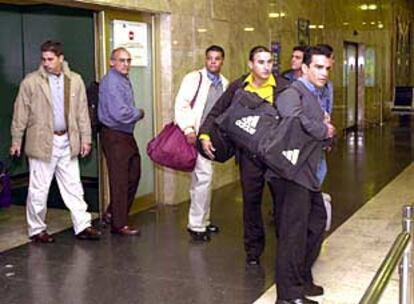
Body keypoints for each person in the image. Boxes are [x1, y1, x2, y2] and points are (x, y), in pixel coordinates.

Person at [199, 46, 290, 264]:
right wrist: (204, 135)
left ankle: (285, 250)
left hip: (276, 157)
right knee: (251, 203)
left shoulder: (284, 87)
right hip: (249, 156)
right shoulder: (238, 86)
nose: (266, 67)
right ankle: (253, 252)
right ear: (250, 64)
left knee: (282, 204)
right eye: (261, 62)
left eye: (269, 62)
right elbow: (216, 112)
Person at [10, 40, 101, 243]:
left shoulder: (74, 80)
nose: (46, 63)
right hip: (42, 142)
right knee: (39, 190)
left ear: (61, 59)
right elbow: (20, 113)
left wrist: (86, 139)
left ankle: (83, 225)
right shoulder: (31, 82)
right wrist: (17, 140)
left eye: (50, 59)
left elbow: (82, 113)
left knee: (74, 187)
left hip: (67, 141)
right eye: (43, 59)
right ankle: (37, 229)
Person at [270, 46, 336, 304]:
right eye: (318, 67)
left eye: (327, 68)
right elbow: (293, 123)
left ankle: (301, 277)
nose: (324, 73)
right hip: (291, 175)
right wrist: (324, 129)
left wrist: (326, 132)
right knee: (293, 234)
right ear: (305, 68)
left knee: (316, 223)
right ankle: (287, 295)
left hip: (308, 174)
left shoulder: (315, 94)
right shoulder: (291, 92)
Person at [175, 45, 229, 242]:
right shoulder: (194, 78)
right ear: (205, 60)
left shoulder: (224, 83)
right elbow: (181, 104)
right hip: (196, 135)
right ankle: (196, 225)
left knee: (204, 179)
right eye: (210, 58)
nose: (213, 62)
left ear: (222, 61)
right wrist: (188, 129)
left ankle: (203, 220)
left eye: (217, 58)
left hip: (212, 137)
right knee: (203, 178)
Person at [98, 47, 145, 236]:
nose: (126, 64)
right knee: (120, 180)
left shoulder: (122, 79)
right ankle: (119, 224)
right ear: (111, 62)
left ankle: (112, 213)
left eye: (128, 60)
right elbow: (121, 113)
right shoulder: (112, 82)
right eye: (121, 60)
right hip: (115, 134)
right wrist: (139, 113)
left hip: (125, 135)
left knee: (133, 173)